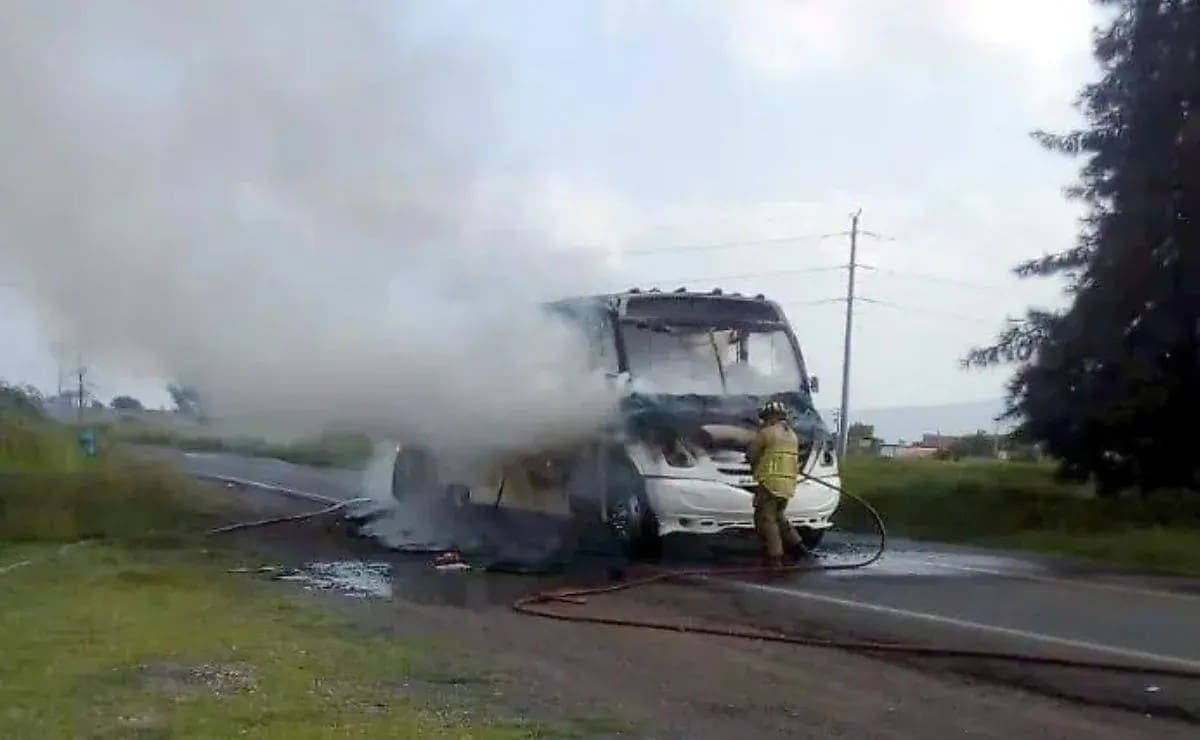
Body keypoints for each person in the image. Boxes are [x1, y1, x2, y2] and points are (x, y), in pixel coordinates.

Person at [746, 400, 804, 568]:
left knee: (767, 519)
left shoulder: (766, 433)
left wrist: (753, 462)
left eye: (764, 418)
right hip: (788, 484)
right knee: (779, 516)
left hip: (769, 482)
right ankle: (798, 546)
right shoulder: (792, 435)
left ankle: (774, 557)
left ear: (769, 417)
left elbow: (751, 454)